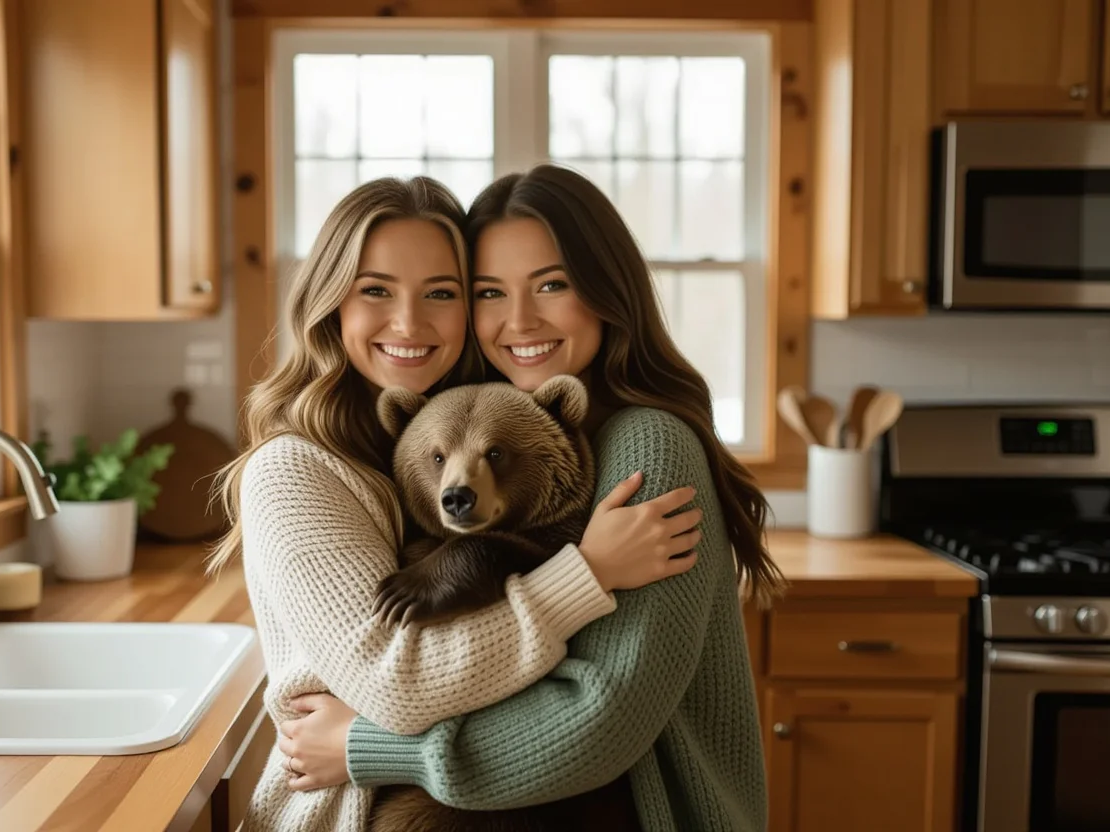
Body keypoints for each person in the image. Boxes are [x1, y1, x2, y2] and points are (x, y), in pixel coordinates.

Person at [278, 164, 787, 831]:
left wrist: (367, 746)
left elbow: (597, 723)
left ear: (609, 293)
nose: (518, 320)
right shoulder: (481, 426)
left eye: (551, 284)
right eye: (489, 292)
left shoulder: (646, 447)